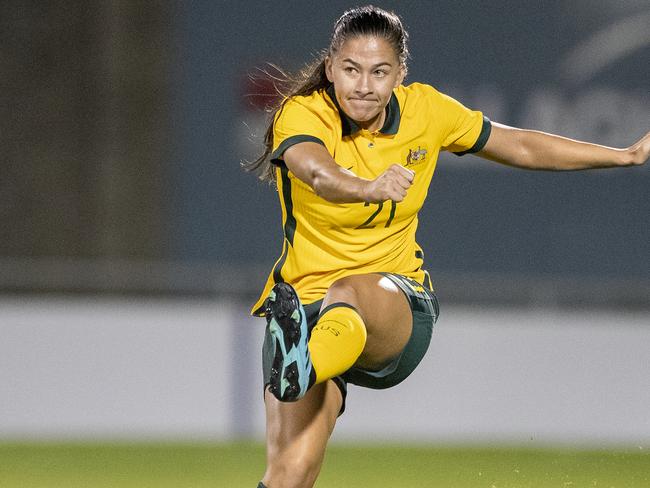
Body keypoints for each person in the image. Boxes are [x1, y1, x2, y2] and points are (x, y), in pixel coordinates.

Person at [243, 5, 649, 488]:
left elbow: (518, 144)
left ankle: (302, 368)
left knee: (350, 289)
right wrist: (368, 186)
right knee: (290, 473)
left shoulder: (426, 111)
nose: (363, 85)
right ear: (330, 68)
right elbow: (316, 171)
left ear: (400, 75)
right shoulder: (303, 113)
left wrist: (625, 155)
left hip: (396, 306)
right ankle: (305, 367)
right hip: (304, 310)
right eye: (351, 69)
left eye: (379, 72)